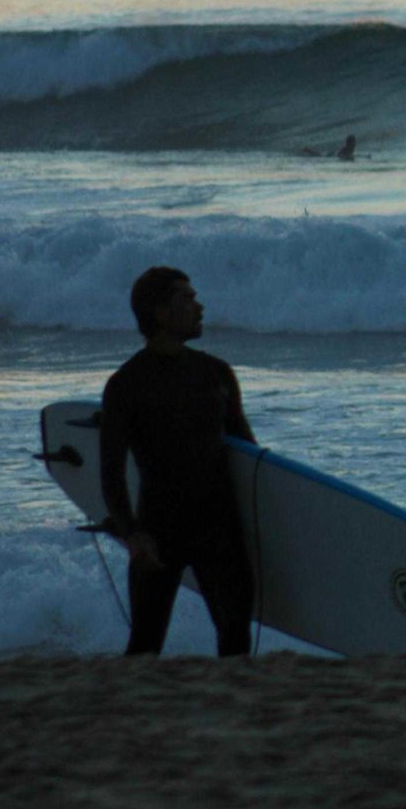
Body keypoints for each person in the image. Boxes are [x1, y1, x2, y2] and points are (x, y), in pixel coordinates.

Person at [99, 266, 257, 657]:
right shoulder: (126, 384)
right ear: (160, 313)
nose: (199, 307)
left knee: (236, 640)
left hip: (219, 529)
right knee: (145, 646)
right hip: (158, 532)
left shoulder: (216, 374)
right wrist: (132, 534)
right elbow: (111, 470)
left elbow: (248, 455)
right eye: (187, 298)